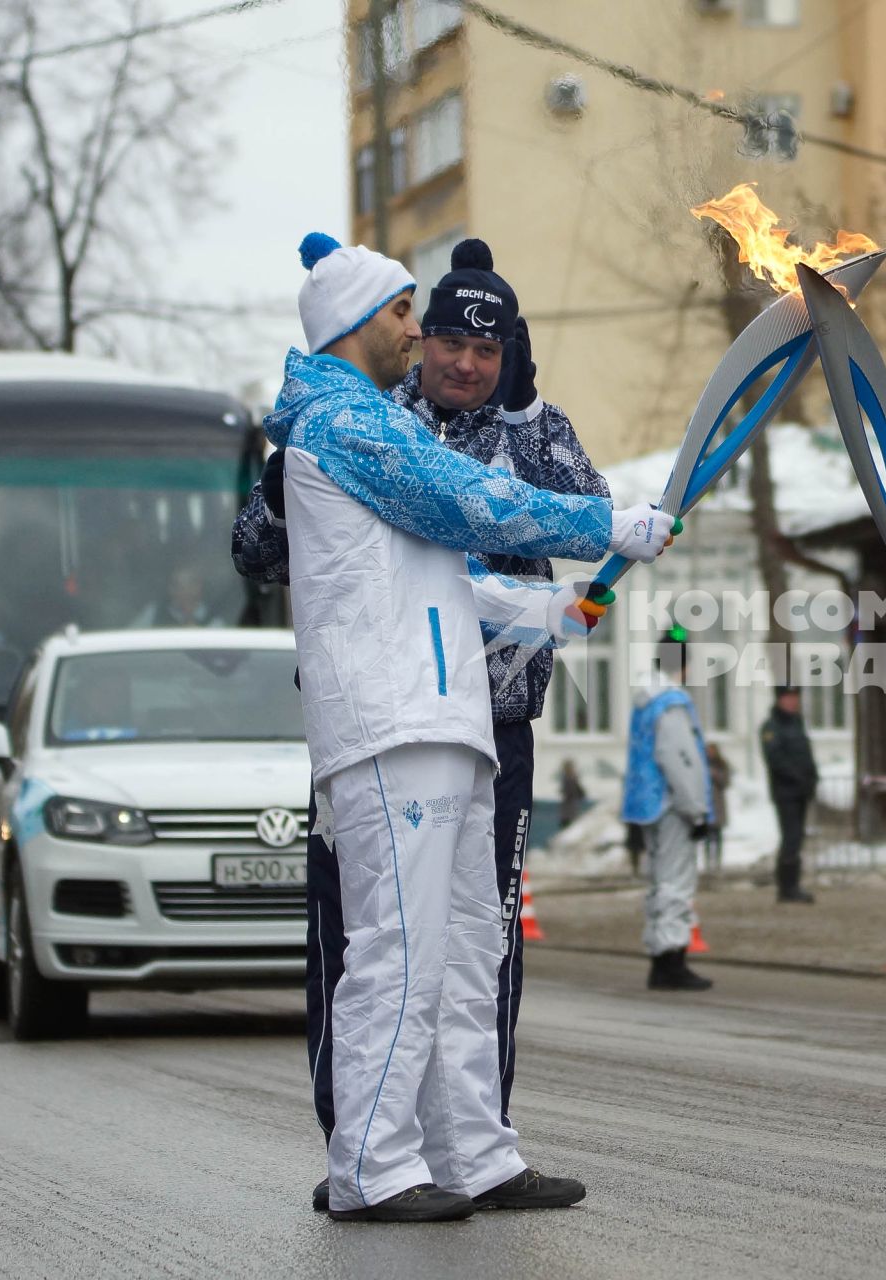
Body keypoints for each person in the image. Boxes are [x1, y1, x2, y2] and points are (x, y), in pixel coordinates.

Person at [267, 232, 674, 1221]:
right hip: (388, 724)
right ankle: (372, 1162)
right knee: (398, 955)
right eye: (404, 312)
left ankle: (474, 1150)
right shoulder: (341, 422)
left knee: (462, 957)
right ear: (357, 320)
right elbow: (468, 497)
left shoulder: (367, 424)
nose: (418, 331)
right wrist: (607, 528)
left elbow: (440, 570)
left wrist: (547, 611)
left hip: (448, 721)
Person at [622, 629, 714, 991]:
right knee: (676, 881)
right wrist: (697, 810)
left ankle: (660, 956)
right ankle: (671, 959)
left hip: (647, 803)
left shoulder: (645, 699)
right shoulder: (672, 703)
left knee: (660, 880)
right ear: (685, 663)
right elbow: (680, 759)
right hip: (673, 804)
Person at [760, 686, 819, 902]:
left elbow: (806, 755)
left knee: (797, 837)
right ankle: (786, 887)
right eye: (789, 698)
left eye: (796, 698)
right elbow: (775, 760)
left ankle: (793, 885)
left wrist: (813, 777)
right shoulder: (771, 727)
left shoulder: (797, 723)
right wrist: (797, 778)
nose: (793, 702)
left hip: (801, 791)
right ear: (779, 700)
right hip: (785, 792)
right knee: (791, 837)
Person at [129, 565, 224, 628]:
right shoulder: (154, 614)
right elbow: (130, 639)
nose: (185, 591)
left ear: (200, 587)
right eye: (178, 585)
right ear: (170, 589)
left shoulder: (213, 617)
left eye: (191, 584)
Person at [703, 742, 732, 875]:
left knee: (717, 835)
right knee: (706, 835)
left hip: (718, 804)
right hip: (705, 804)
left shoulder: (722, 764)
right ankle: (707, 861)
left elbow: (726, 782)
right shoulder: (702, 764)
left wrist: (715, 775)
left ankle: (718, 861)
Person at [557, 760, 587, 833]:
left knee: (569, 827)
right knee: (568, 827)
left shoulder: (569, 779)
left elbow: (579, 792)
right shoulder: (568, 779)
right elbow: (575, 792)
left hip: (570, 809)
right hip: (569, 810)